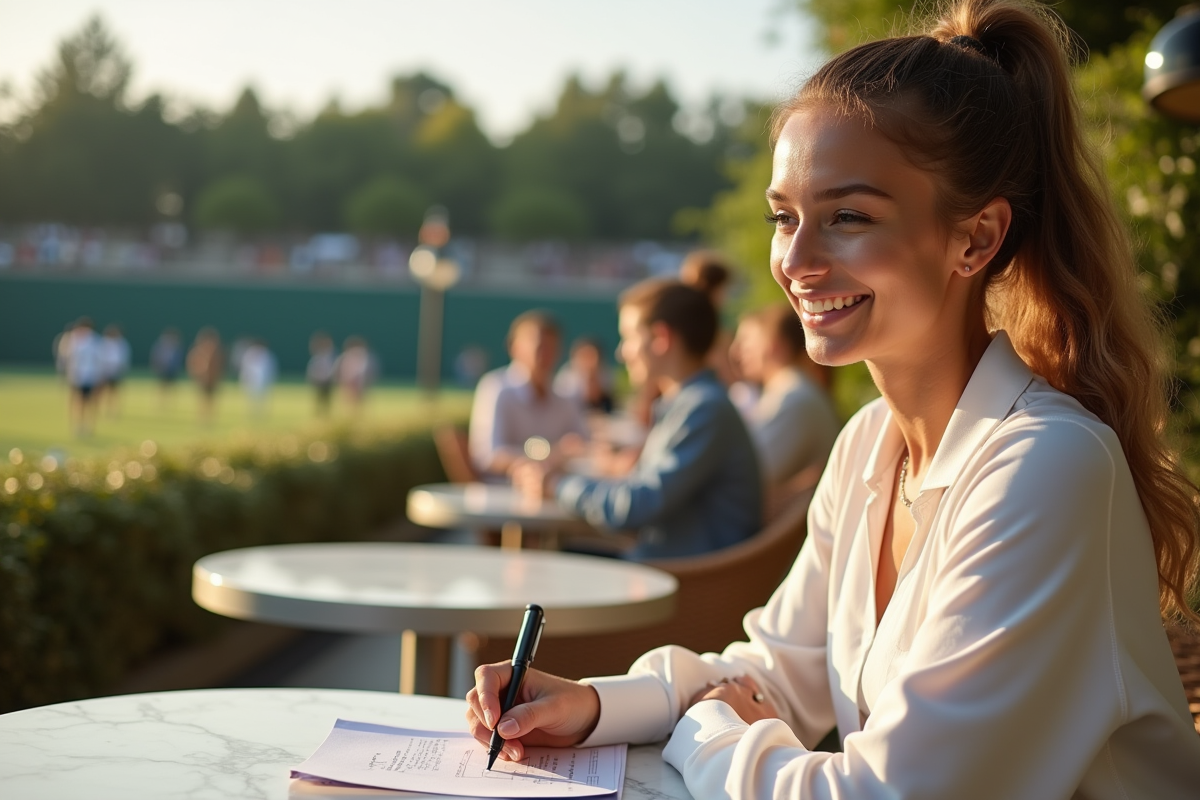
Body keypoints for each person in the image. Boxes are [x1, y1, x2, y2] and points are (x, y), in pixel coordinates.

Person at [466, 2, 1200, 796]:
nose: (796, 261)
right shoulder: (869, 444)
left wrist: (707, 729)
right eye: (785, 218)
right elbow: (778, 668)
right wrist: (595, 707)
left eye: (848, 216)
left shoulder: (1046, 467)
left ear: (977, 238)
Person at [514, 280, 762, 560]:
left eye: (629, 337)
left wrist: (556, 485)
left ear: (660, 339)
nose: (622, 352)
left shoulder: (703, 408)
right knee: (551, 556)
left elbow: (634, 507)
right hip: (676, 565)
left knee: (542, 562)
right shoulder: (692, 404)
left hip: (689, 575)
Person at [730, 304, 839, 491]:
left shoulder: (794, 397)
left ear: (774, 346)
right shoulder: (790, 391)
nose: (738, 352)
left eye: (749, 342)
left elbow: (747, 475)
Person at [468, 311, 588, 479]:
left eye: (552, 348)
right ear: (515, 347)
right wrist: (548, 456)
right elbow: (488, 455)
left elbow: (583, 443)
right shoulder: (496, 388)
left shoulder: (564, 394)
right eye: (539, 347)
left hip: (552, 487)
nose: (545, 355)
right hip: (502, 488)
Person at [63, 317, 103, 436]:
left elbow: (99, 359)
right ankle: (78, 425)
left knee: (90, 402)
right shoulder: (73, 339)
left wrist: (99, 375)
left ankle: (89, 426)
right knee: (78, 401)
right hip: (77, 376)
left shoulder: (95, 340)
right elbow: (67, 356)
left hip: (90, 376)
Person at [553, 337, 614, 414]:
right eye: (586, 356)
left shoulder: (605, 374)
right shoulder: (565, 380)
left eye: (593, 356)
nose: (591, 361)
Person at [187, 328, 224, 424]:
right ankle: (202, 417)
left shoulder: (216, 352)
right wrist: (198, 374)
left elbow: (219, 366)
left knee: (210, 399)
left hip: (212, 380)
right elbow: (193, 364)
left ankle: (208, 417)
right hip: (203, 379)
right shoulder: (199, 351)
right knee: (202, 398)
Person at [98, 324, 131, 418]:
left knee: (115, 392)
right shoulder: (105, 342)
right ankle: (103, 409)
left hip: (116, 371)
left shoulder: (122, 343)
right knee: (103, 392)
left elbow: (124, 358)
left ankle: (114, 410)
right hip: (105, 371)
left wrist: (123, 369)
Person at [336, 336, 376, 413]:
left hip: (359, 380)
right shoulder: (346, 356)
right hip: (349, 380)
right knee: (349, 397)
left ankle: (357, 411)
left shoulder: (365, 356)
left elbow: (367, 369)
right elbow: (342, 368)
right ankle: (350, 412)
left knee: (359, 397)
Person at [239, 338, 276, 417]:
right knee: (251, 396)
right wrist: (245, 377)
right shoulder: (250, 353)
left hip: (263, 379)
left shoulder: (266, 354)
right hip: (251, 379)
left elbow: (271, 367)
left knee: (263, 397)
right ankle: (252, 411)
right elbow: (245, 367)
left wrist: (270, 378)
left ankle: (261, 411)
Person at [150, 327, 184, 405]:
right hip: (163, 369)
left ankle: (172, 401)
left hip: (172, 370)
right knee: (162, 385)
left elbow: (178, 359)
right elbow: (156, 357)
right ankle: (161, 401)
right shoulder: (161, 346)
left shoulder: (176, 347)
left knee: (172, 386)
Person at [307, 332, 337, 417]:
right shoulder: (318, 355)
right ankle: (318, 414)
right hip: (319, 380)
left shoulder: (330, 354)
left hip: (327, 380)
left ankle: (326, 414)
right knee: (318, 398)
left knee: (327, 399)